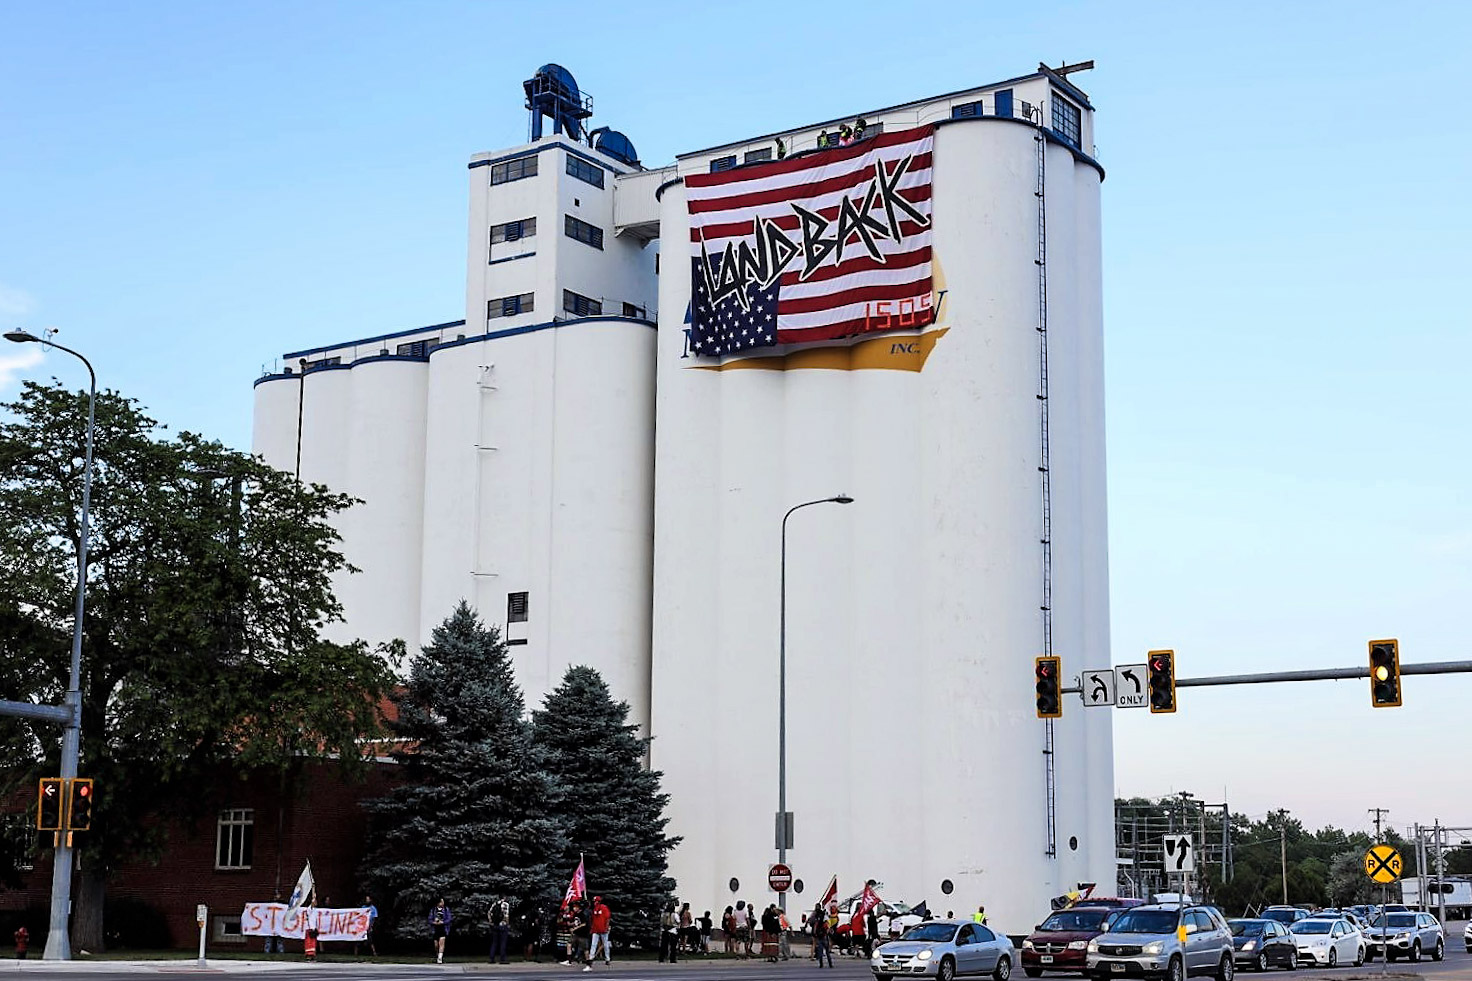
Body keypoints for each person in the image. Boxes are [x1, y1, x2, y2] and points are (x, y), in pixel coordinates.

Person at [589, 896, 612, 965]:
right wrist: (592, 928)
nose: (594, 903)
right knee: (593, 944)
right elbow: (593, 920)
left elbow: (608, 918)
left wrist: (606, 927)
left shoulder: (604, 908)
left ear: (598, 901)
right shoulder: (594, 909)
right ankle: (591, 958)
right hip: (596, 930)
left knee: (605, 945)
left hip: (603, 929)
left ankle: (607, 959)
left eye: (595, 901)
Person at [488, 896, 511, 965]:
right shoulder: (505, 904)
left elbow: (489, 913)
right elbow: (506, 916)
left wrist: (491, 922)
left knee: (494, 942)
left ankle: (491, 958)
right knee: (503, 942)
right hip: (503, 925)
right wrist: (507, 924)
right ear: (504, 897)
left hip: (495, 925)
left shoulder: (494, 904)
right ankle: (502, 959)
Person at [429, 897, 452, 964]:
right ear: (438, 903)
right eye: (441, 902)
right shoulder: (433, 910)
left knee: (441, 943)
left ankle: (440, 958)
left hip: (443, 928)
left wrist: (443, 922)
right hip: (435, 929)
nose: (443, 903)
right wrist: (434, 922)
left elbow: (449, 918)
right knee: (436, 945)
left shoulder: (446, 909)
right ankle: (437, 955)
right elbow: (430, 919)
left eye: (443, 902)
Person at [812, 903, 833, 968]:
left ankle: (821, 964)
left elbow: (815, 924)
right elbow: (827, 924)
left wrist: (815, 933)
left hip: (820, 935)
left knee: (820, 950)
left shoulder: (816, 915)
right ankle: (830, 964)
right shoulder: (823, 915)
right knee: (826, 951)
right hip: (823, 935)